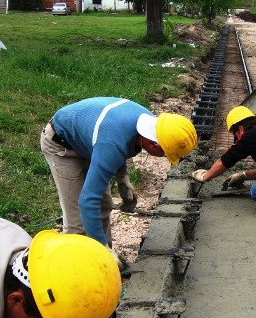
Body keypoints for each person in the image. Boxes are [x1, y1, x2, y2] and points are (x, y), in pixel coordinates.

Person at [40, 97, 197, 260]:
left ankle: (103, 264)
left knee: (105, 204)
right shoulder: (112, 143)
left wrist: (122, 177)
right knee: (77, 222)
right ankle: (79, 269)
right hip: (62, 146)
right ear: (154, 145)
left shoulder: (150, 126)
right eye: (165, 154)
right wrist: (102, 249)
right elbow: (88, 201)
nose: (164, 157)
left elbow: (121, 145)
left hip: (90, 142)